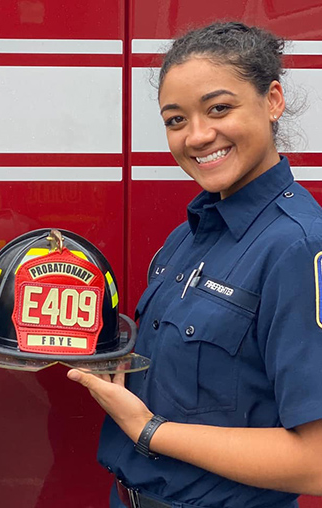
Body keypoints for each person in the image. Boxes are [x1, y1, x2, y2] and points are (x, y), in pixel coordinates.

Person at [67, 21, 322, 508]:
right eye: (175, 120)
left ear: (272, 101)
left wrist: (147, 430)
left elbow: (316, 461)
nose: (198, 136)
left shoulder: (300, 247)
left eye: (219, 108)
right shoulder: (186, 238)